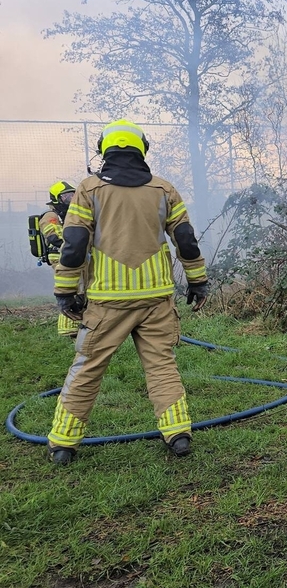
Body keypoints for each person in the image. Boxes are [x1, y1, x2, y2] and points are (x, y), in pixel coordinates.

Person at [47, 120, 210, 465]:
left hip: (107, 301)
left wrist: (65, 291)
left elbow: (74, 244)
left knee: (88, 367)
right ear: (142, 149)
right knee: (162, 365)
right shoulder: (164, 190)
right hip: (156, 298)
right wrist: (198, 281)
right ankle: (178, 434)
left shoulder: (88, 190)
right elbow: (186, 241)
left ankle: (63, 443)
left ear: (105, 151)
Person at [40, 181, 79, 338]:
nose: (70, 200)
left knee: (79, 290)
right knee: (69, 291)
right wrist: (78, 242)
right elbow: (55, 237)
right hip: (59, 257)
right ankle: (68, 330)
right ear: (56, 199)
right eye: (66, 197)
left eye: (72, 196)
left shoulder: (68, 215)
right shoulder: (51, 216)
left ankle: (76, 326)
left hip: (69, 256)